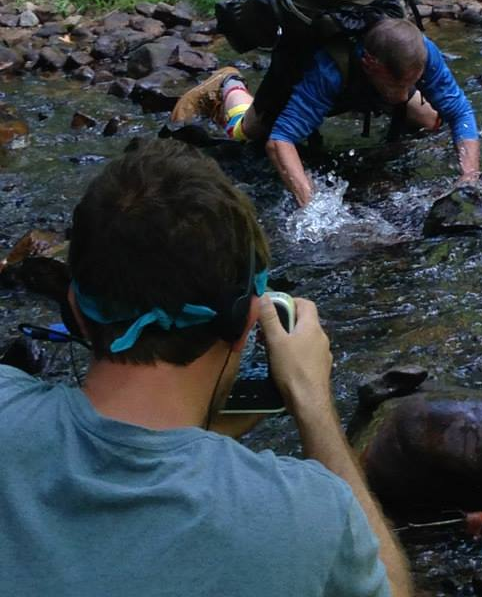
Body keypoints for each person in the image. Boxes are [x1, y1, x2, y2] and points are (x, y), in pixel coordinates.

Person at [0, 138, 412, 597]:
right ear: (243, 322)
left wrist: (209, 430)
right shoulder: (304, 517)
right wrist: (312, 401)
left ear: (75, 309)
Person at [172, 17, 480, 206]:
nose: (406, 92)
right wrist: (314, 207)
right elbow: (279, 142)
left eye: (413, 81)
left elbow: (460, 111)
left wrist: (468, 178)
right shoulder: (328, 70)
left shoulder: (422, 52)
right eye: (400, 82)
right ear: (371, 63)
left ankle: (377, 101)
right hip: (302, 84)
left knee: (429, 117)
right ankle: (228, 84)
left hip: (364, 85)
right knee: (245, 132)